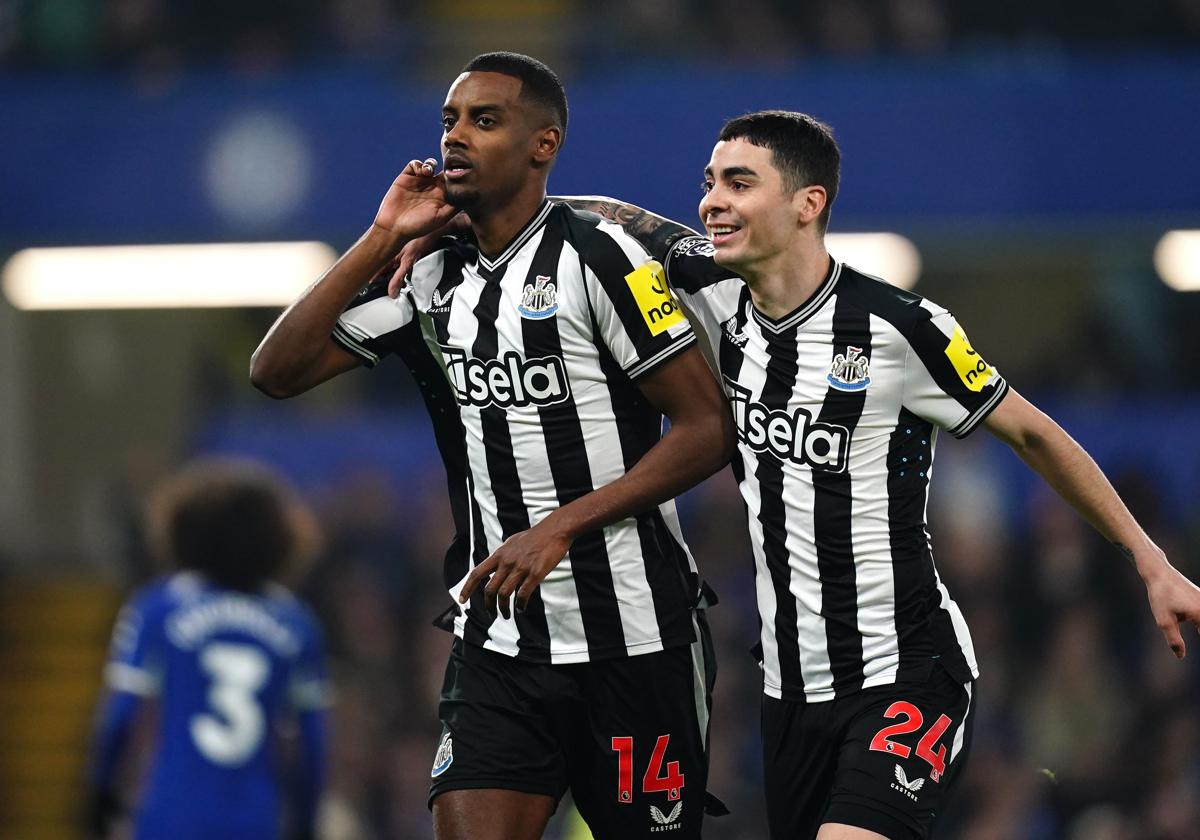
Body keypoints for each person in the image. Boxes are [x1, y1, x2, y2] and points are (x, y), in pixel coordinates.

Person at [563, 110, 1200, 840]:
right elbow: (620, 223)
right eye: (709, 183)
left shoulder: (900, 329)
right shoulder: (708, 288)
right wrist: (481, 212)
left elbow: (1032, 432)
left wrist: (1151, 562)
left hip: (906, 672)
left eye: (740, 183)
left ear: (810, 204)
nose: (713, 201)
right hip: (789, 692)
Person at [249, 52, 734, 840]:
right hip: (499, 647)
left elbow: (707, 428)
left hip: (637, 642)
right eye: (449, 121)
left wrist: (561, 526)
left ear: (543, 145)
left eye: (484, 120)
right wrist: (380, 237)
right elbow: (277, 370)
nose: (457, 138)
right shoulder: (432, 274)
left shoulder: (600, 257)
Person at [85, 458, 329, 840]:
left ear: (183, 531)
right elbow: (311, 743)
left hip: (170, 815)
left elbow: (120, 717)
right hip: (255, 820)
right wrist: (305, 822)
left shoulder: (156, 607)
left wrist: (99, 802)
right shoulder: (296, 621)